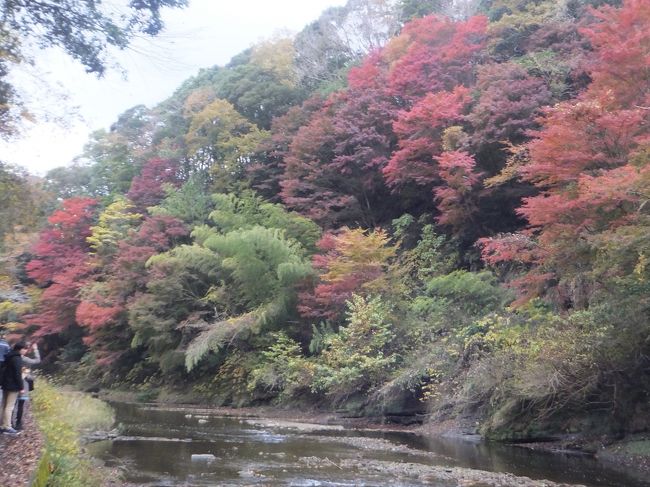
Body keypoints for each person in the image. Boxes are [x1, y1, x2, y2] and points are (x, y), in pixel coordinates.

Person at [0, 341, 28, 435]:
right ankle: (7, 427)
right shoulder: (17, 358)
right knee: (10, 406)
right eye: (25, 349)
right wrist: (21, 387)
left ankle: (2, 425)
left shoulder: (8, 356)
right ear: (20, 349)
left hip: (5, 384)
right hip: (13, 386)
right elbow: (17, 374)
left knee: (3, 405)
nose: (26, 351)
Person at [13, 342, 40, 431]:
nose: (25, 350)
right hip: (23, 384)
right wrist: (36, 349)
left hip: (13, 383)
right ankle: (18, 424)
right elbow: (37, 360)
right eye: (24, 349)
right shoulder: (25, 359)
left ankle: (10, 424)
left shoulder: (11, 358)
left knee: (12, 405)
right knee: (19, 405)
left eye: (26, 349)